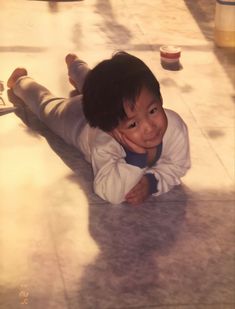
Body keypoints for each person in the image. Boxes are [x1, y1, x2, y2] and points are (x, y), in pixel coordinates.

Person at [7, 51, 190, 205]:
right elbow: (109, 193)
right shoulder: (105, 141)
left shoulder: (174, 128)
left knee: (101, 86)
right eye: (133, 124)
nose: (150, 127)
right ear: (112, 130)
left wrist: (152, 183)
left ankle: (75, 64)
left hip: (112, 109)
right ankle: (20, 81)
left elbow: (177, 167)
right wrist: (135, 159)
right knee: (47, 107)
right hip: (80, 122)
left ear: (159, 98)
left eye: (153, 110)